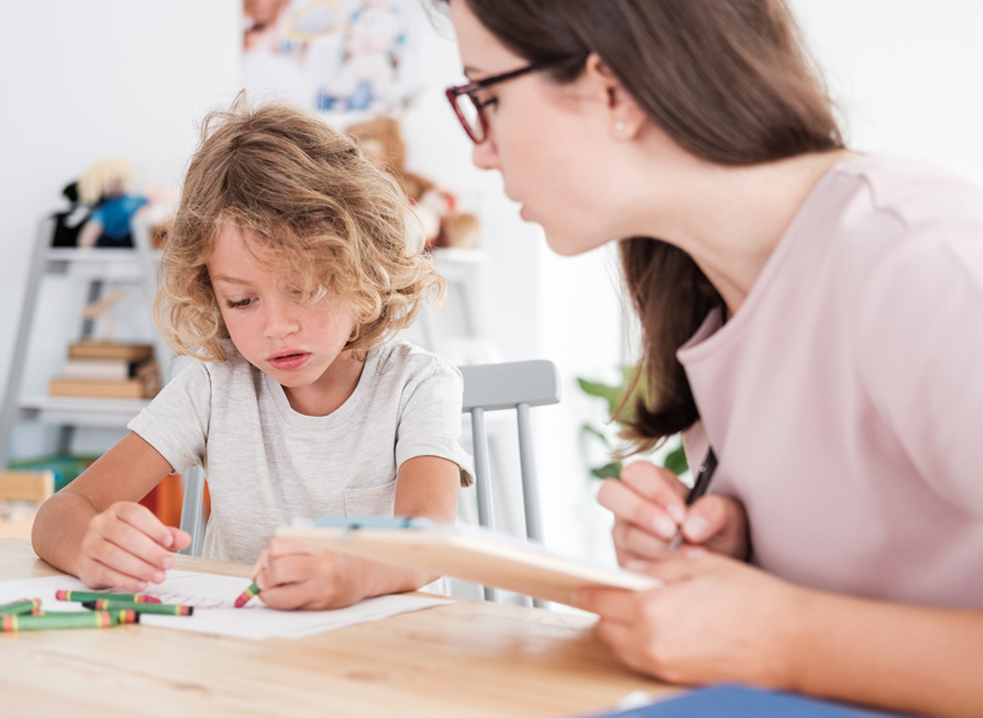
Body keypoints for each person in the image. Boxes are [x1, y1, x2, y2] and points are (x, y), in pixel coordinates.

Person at [441, 0, 983, 716]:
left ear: (611, 90)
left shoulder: (922, 261)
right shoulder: (712, 296)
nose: (479, 151)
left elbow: (794, 640)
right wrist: (730, 566)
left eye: (487, 97)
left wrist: (782, 635)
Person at [32, 100, 473, 610]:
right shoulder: (215, 385)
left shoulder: (419, 385)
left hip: (391, 658)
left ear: (363, 268)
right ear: (210, 293)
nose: (276, 327)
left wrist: (355, 572)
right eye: (241, 301)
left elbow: (429, 540)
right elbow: (61, 512)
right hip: (249, 659)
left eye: (305, 290)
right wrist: (90, 543)